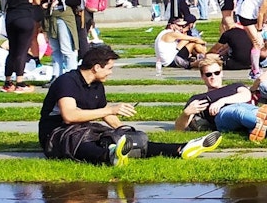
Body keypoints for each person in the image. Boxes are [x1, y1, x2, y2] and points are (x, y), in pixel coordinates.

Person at [40, 43, 223, 165]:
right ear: (96, 67)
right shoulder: (67, 81)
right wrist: (111, 109)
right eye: (109, 68)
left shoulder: (96, 84)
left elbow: (104, 114)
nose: (111, 73)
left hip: (83, 128)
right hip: (56, 135)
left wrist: (122, 128)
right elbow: (70, 116)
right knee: (80, 143)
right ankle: (109, 156)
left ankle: (181, 149)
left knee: (125, 138)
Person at [174, 56, 267, 142]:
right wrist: (186, 113)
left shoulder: (235, 86)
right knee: (237, 111)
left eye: (216, 73)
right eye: (208, 74)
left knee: (247, 111)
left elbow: (246, 95)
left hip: (246, 107)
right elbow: (179, 129)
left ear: (221, 73)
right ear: (202, 77)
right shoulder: (198, 99)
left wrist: (222, 101)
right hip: (222, 117)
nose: (213, 77)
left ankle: (261, 126)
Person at [3, 0, 43, 94]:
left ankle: (8, 82)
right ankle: (20, 82)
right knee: (22, 50)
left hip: (10, 17)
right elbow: (37, 0)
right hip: (24, 17)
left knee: (12, 50)